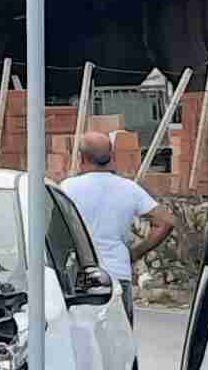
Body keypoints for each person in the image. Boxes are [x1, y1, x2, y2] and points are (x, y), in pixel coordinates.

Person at [60, 129, 175, 321]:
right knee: (121, 345)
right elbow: (166, 222)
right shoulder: (129, 189)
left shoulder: (67, 188)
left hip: (81, 279)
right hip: (118, 276)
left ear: (81, 158)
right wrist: (135, 253)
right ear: (111, 157)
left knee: (83, 344)